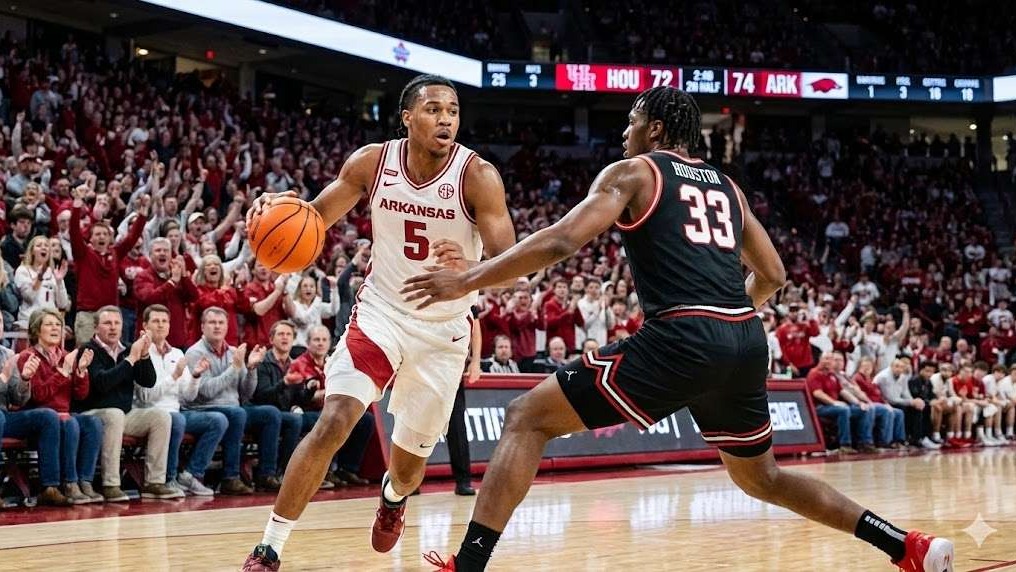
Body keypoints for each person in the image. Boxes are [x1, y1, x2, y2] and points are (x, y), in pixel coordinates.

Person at [403, 86, 952, 572]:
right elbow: (775, 274)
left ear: (656, 129)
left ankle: (467, 566)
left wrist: (468, 279)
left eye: (633, 120)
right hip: (742, 338)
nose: (625, 131)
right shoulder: (728, 188)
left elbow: (561, 241)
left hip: (683, 336)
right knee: (764, 479)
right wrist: (725, 318)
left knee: (525, 418)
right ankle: (907, 546)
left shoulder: (635, 172)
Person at [242, 74, 516, 571]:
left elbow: (509, 260)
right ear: (408, 117)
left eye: (453, 110)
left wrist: (470, 271)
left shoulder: (478, 176)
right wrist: (270, 211)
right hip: (381, 314)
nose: (446, 119)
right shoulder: (372, 162)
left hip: (443, 331)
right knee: (335, 419)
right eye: (434, 110)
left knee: (408, 469)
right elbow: (313, 217)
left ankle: (393, 498)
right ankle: (269, 548)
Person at [75, 306, 181, 500]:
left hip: (124, 414)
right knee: (114, 414)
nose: (113, 328)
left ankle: (154, 482)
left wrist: (145, 355)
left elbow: (147, 381)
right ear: (96, 328)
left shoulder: (127, 349)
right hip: (93, 413)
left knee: (160, 416)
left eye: (117, 323)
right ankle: (111, 484)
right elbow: (101, 384)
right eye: (107, 323)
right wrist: (131, 359)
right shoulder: (88, 350)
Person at [133, 304, 225, 495]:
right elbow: (145, 397)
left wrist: (196, 377)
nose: (160, 325)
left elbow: (187, 396)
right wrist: (173, 377)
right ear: (145, 325)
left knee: (218, 420)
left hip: (177, 411)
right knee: (176, 419)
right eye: (156, 321)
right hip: (149, 413)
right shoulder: (140, 352)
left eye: (164, 321)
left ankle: (190, 474)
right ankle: (168, 478)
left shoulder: (177, 353)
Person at [184, 307, 270, 493]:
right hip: (205, 408)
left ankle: (268, 474)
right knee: (237, 413)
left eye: (221, 323)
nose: (217, 326)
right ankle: (230, 477)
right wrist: (234, 369)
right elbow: (205, 391)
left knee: (270, 414)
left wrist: (251, 368)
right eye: (212, 322)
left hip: (234, 408)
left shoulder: (233, 352)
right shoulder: (195, 353)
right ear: (202, 327)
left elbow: (246, 394)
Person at [286, 325, 374, 487]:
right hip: (305, 411)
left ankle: (348, 469)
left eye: (324, 340)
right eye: (316, 340)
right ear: (308, 343)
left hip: (330, 409)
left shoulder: (334, 362)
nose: (320, 343)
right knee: (330, 420)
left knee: (365, 420)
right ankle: (325, 471)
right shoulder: (299, 364)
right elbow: (301, 397)